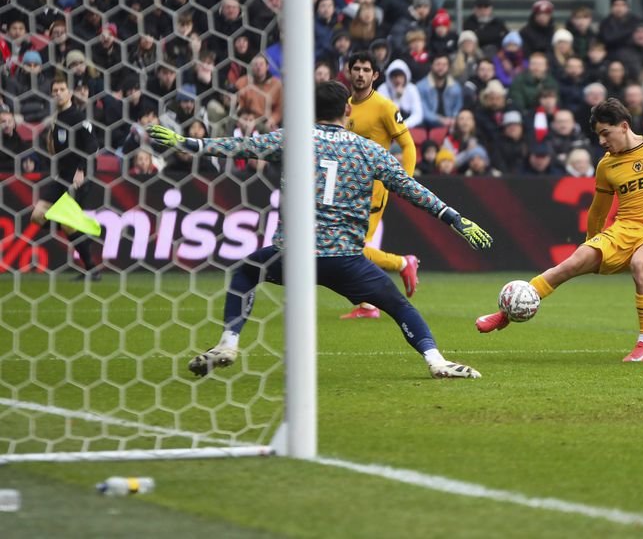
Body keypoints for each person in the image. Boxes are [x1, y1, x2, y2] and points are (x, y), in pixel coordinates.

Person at [149, 81, 491, 379]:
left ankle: (228, 343)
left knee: (247, 271)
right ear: (347, 109)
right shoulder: (368, 150)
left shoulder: (293, 139)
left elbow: (237, 147)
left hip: (293, 254)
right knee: (398, 305)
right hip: (344, 259)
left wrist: (186, 143)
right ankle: (436, 361)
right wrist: (454, 219)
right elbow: (411, 188)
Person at [475, 98, 643, 362]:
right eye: (598, 136)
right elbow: (599, 209)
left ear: (624, 126)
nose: (602, 141)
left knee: (640, 265)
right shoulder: (606, 165)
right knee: (570, 264)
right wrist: (591, 244)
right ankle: (507, 313)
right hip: (624, 229)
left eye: (606, 133)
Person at [340, 52, 422, 320]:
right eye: (357, 69)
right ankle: (366, 305)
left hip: (372, 190)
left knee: (352, 247)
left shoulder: (385, 107)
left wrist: (405, 182)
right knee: (345, 246)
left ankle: (401, 263)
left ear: (375, 75)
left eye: (366, 70)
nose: (361, 74)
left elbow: (408, 145)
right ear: (348, 72)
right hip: (346, 190)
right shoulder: (345, 107)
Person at [30, 75, 103, 280]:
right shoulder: (57, 118)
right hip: (62, 176)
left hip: (78, 177)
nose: (58, 93)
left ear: (70, 93)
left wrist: (81, 170)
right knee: (37, 216)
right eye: (55, 91)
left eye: (62, 89)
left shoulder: (78, 118)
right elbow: (56, 150)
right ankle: (81, 235)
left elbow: (92, 146)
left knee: (66, 223)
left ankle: (91, 269)